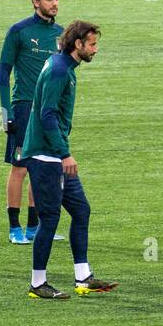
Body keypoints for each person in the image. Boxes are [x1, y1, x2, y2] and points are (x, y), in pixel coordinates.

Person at [20, 20, 117, 300]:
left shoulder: (62, 65)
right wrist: (64, 153)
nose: (95, 50)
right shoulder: (60, 71)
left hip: (53, 154)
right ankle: (38, 283)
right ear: (78, 45)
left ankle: (83, 277)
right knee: (49, 219)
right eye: (93, 44)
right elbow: (47, 114)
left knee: (81, 211)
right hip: (46, 156)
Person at [0, 0, 63, 245]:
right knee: (20, 168)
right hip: (24, 106)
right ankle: (14, 228)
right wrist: (5, 111)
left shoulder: (61, 34)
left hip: (49, 110)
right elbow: (4, 71)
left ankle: (34, 226)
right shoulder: (19, 31)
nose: (55, 4)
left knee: (43, 166)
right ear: (36, 2)